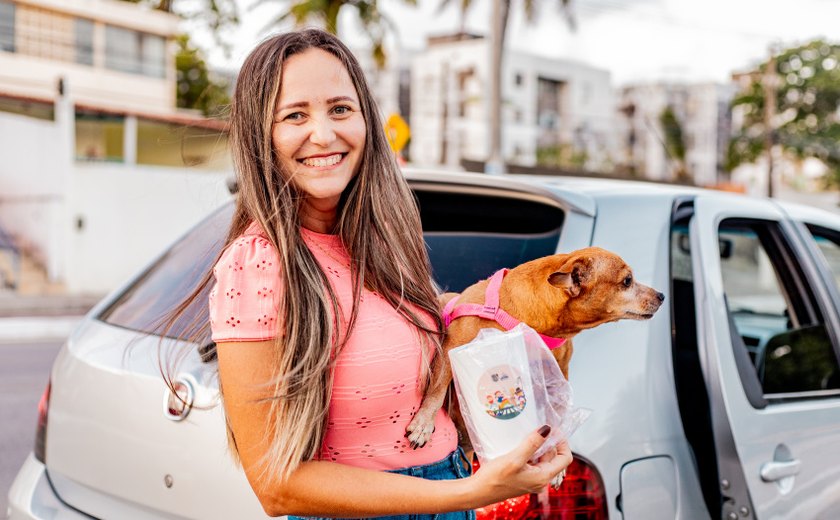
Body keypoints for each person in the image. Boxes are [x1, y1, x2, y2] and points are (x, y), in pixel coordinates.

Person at [199, 28, 571, 518]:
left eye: (340, 109)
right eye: (295, 115)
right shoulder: (258, 263)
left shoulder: (387, 239)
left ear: (366, 119)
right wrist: (473, 492)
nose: (325, 134)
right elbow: (276, 486)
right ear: (259, 136)